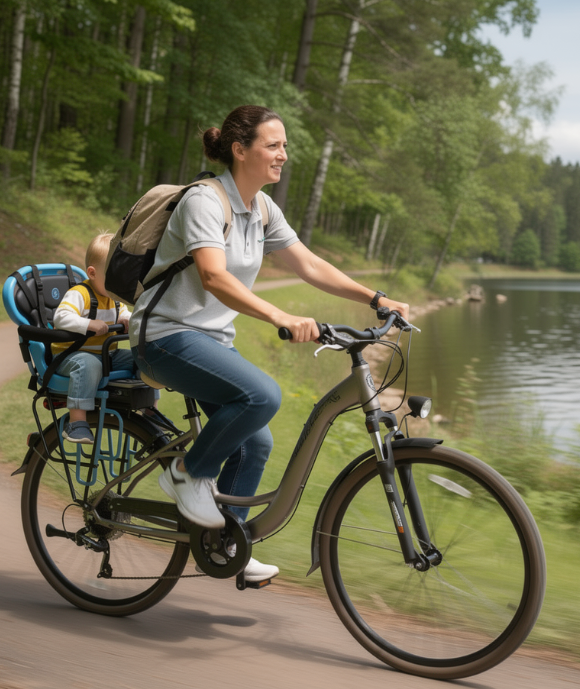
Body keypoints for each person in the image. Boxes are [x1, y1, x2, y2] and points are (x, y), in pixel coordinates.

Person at [129, 105, 410, 581]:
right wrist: (280, 314)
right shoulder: (206, 200)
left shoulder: (261, 208)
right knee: (262, 395)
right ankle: (186, 474)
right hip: (165, 336)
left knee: (254, 442)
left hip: (209, 341)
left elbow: (310, 265)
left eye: (284, 146)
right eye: (273, 145)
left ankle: (227, 542)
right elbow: (214, 277)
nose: (284, 155)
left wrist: (376, 298)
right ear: (240, 151)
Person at [53, 232, 136, 444]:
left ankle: (148, 408)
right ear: (92, 272)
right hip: (71, 356)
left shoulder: (114, 298)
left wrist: (127, 318)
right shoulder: (79, 293)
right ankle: (76, 423)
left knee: (142, 356)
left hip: (107, 354)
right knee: (89, 365)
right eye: (114, 276)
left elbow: (123, 313)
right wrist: (88, 324)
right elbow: (61, 317)